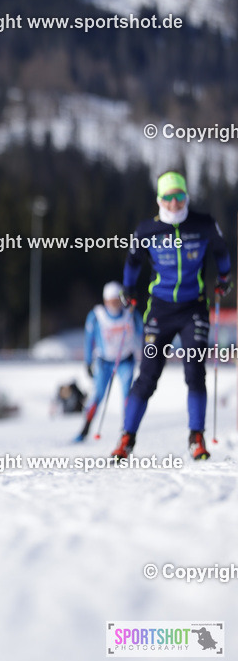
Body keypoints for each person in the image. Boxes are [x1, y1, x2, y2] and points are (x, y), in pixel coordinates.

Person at [112, 171, 231, 460]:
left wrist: (225, 278)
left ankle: (197, 438)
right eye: (168, 198)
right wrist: (129, 290)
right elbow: (132, 261)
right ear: (159, 200)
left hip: (194, 310)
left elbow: (222, 251)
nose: (174, 203)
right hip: (160, 312)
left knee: (195, 372)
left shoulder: (203, 224)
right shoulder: (146, 230)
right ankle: (126, 439)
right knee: (148, 377)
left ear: (186, 197)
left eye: (179, 197)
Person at [73, 281, 142, 442]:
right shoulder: (97, 316)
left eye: (117, 301)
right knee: (97, 395)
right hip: (104, 362)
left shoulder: (130, 313)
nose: (114, 305)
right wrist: (88, 362)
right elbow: (89, 340)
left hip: (125, 360)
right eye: (110, 301)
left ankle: (127, 430)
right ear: (105, 301)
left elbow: (143, 332)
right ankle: (85, 428)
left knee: (127, 394)